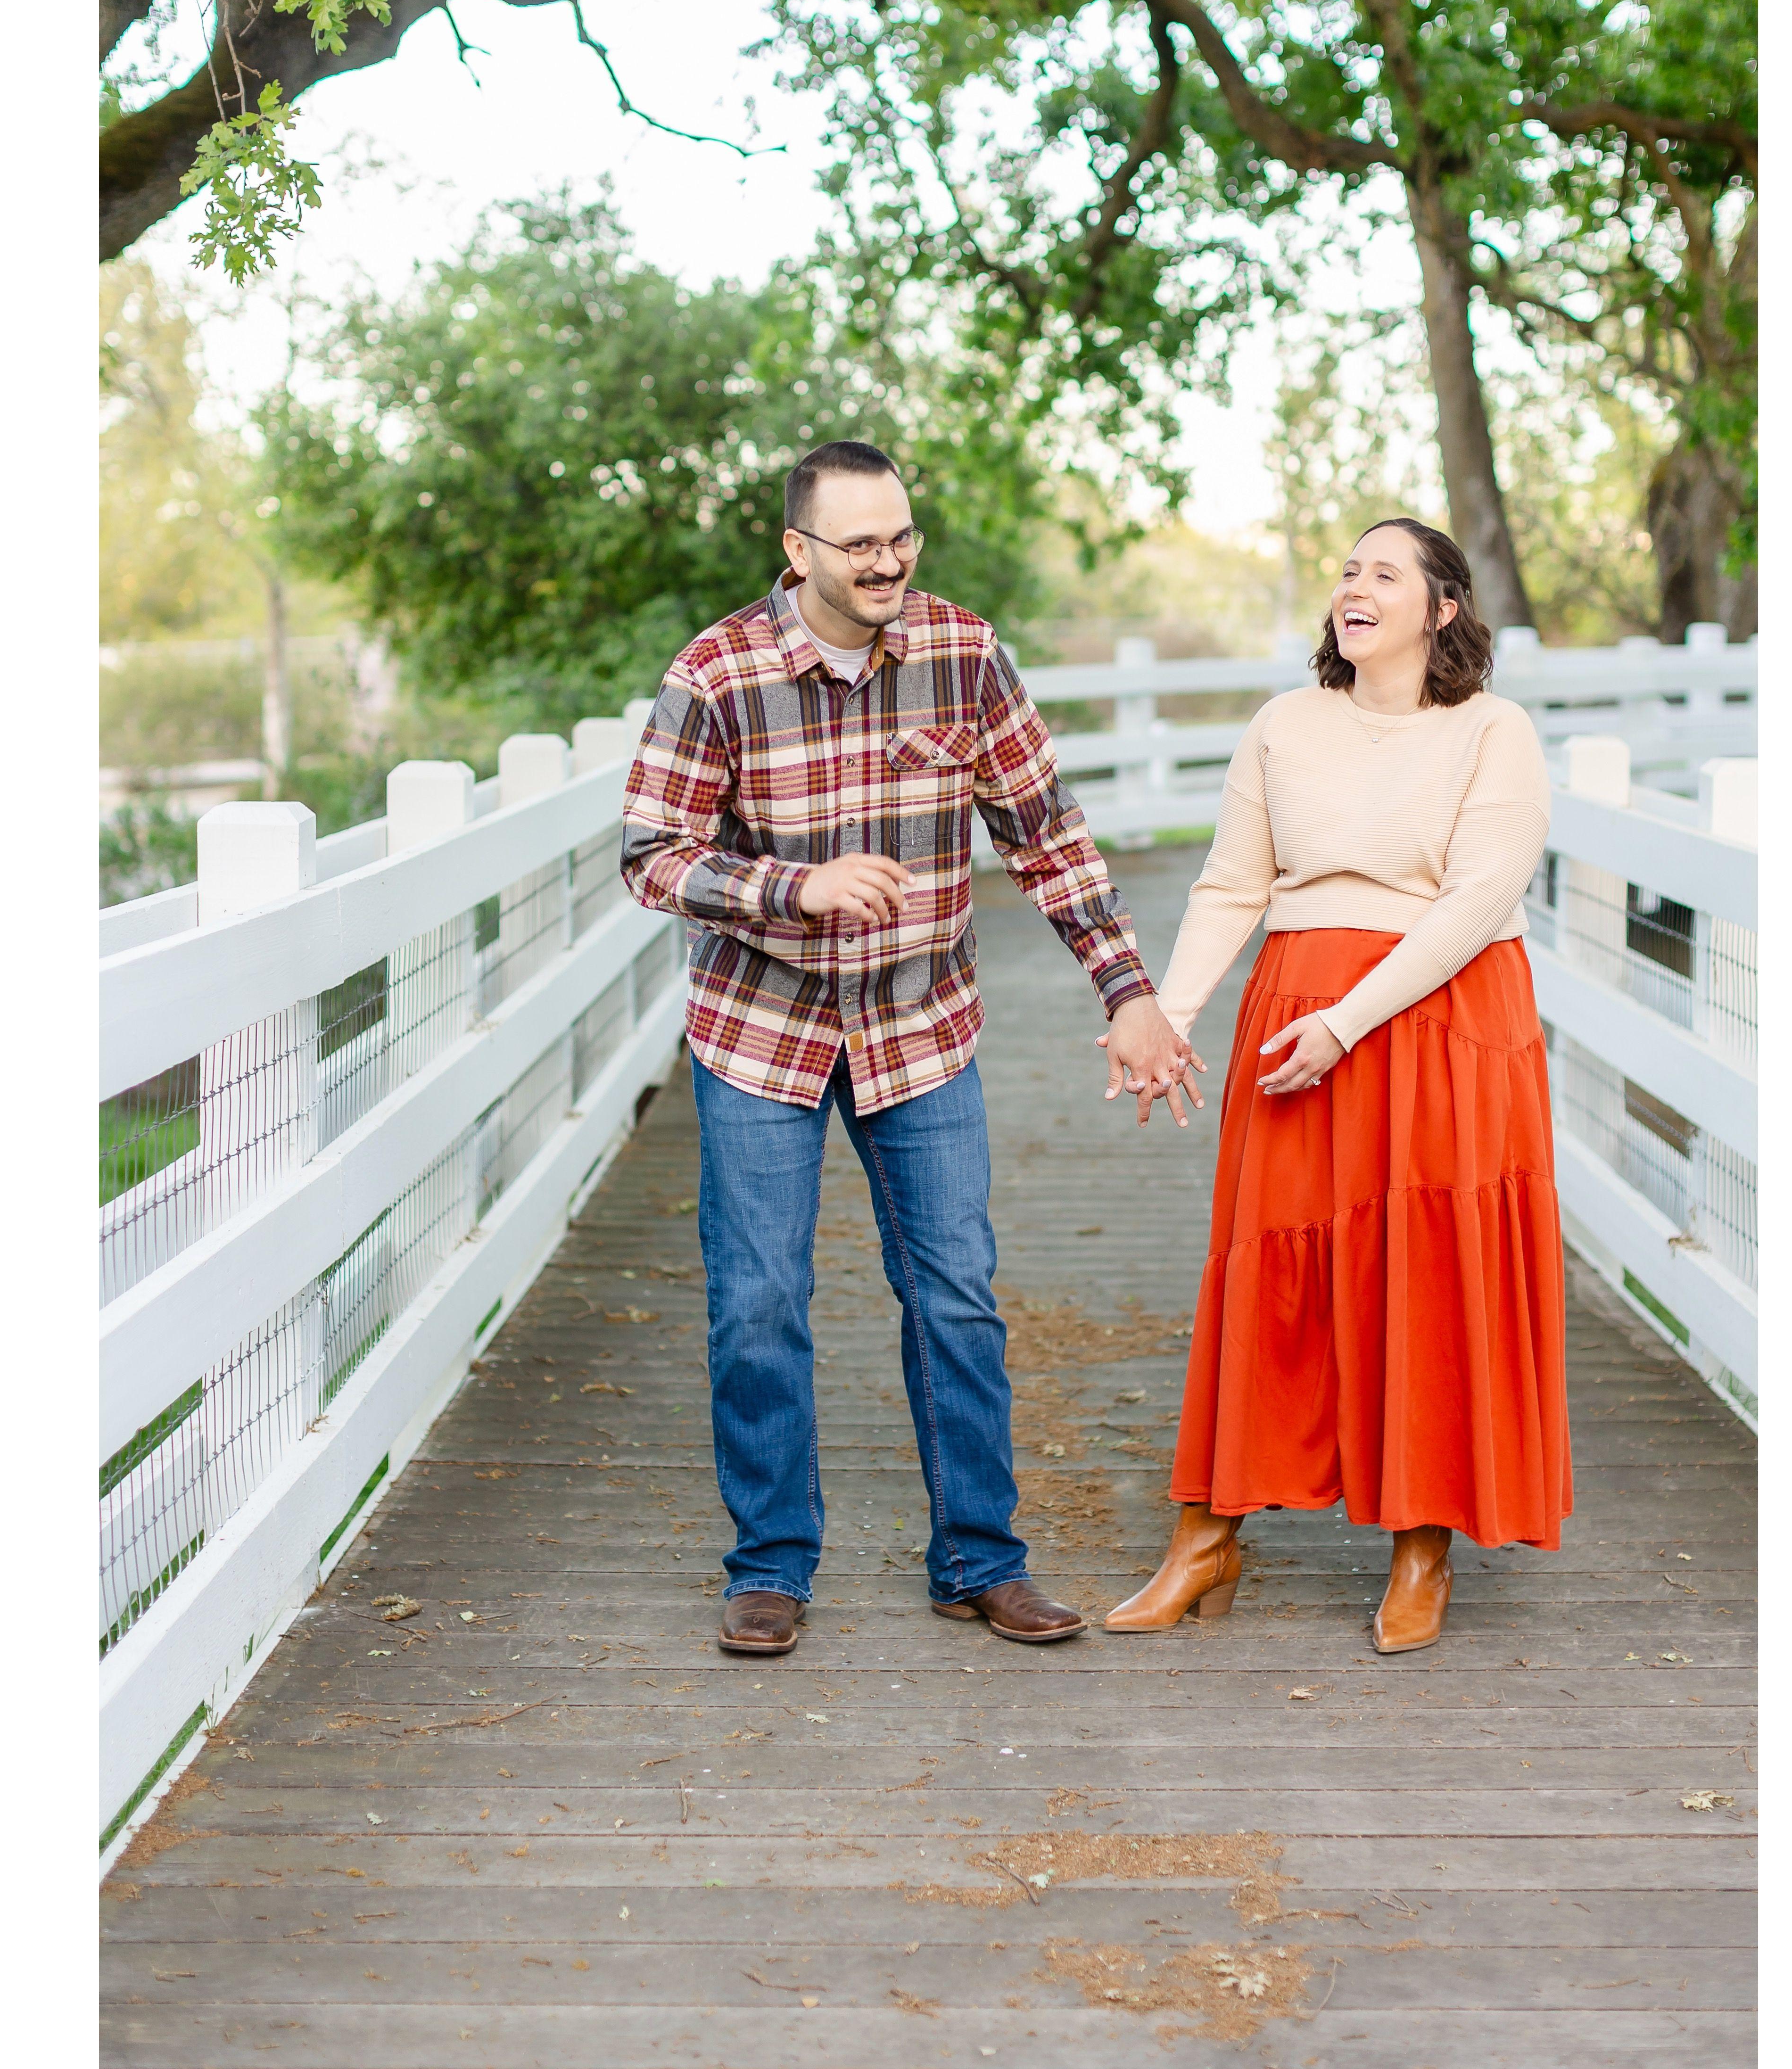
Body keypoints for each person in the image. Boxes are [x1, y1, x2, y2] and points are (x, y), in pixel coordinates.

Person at [620, 439, 1204, 1659]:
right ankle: (771, 1564)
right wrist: (794, 889)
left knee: (956, 1296)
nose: (887, 562)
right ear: (798, 552)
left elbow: (1047, 837)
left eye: (900, 537)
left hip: (919, 1027)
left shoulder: (964, 655)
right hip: (762, 1033)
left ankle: (981, 1562)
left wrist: (1129, 992)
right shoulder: (717, 674)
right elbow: (653, 856)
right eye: (860, 544)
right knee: (758, 1303)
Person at [1102, 519, 1569, 1653]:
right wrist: (1172, 1014)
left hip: (1439, 1021)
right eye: (1349, 571)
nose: (1355, 587)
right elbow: (1232, 884)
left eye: (1386, 574)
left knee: (1426, 1271)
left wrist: (1349, 1023)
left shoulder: (1493, 732)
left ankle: (1422, 1547)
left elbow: (1475, 904)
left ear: (1442, 610)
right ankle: (1207, 1536)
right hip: (1295, 1013)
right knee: (1267, 1268)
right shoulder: (1285, 725)